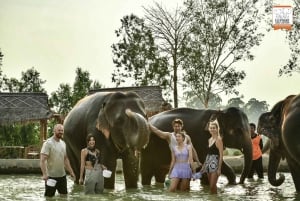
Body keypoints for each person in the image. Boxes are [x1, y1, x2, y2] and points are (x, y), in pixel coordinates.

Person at [40, 124, 75, 197]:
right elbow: (43, 160)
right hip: (51, 177)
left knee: (64, 196)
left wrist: (71, 172)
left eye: (62, 130)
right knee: (49, 197)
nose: (61, 132)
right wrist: (44, 174)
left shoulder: (63, 143)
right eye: (59, 130)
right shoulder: (48, 143)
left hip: (62, 176)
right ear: (54, 131)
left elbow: (65, 159)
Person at [202, 119, 223, 194]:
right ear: (209, 129)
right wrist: (204, 165)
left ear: (217, 129)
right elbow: (208, 154)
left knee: (212, 185)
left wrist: (219, 168)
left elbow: (221, 155)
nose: (212, 129)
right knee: (211, 186)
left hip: (215, 163)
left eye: (214, 128)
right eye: (211, 128)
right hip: (208, 163)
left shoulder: (218, 140)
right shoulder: (209, 140)